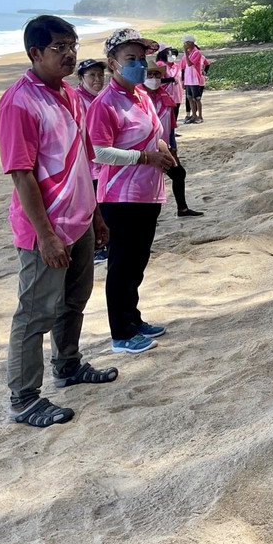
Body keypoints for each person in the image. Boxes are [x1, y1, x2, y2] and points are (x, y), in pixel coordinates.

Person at [0, 15, 115, 428]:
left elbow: (83, 159)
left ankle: (68, 365)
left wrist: (95, 213)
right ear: (35, 53)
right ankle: (24, 399)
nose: (69, 54)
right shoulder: (19, 103)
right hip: (44, 230)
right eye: (59, 47)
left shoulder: (71, 96)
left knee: (73, 303)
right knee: (34, 315)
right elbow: (21, 173)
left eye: (72, 46)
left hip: (79, 219)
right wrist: (45, 235)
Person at [87, 27, 177, 354]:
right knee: (122, 263)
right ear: (112, 63)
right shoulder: (105, 103)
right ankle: (121, 333)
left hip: (148, 192)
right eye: (130, 59)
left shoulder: (141, 96)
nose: (139, 64)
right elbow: (100, 152)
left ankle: (134, 318)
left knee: (137, 262)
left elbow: (155, 134)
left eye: (141, 58)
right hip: (120, 197)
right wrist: (145, 157)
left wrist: (165, 152)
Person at [143, 61, 204, 218]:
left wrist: (173, 146)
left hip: (164, 147)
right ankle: (148, 216)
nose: (153, 78)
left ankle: (182, 209)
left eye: (156, 74)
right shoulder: (138, 98)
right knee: (148, 182)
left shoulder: (165, 97)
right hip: (144, 150)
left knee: (178, 174)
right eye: (149, 74)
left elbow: (170, 125)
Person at [75, 58, 110, 264]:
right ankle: (99, 248)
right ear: (81, 78)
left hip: (103, 161)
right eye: (92, 75)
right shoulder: (78, 99)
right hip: (89, 164)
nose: (97, 79)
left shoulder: (100, 97)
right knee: (95, 206)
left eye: (100, 75)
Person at [180, 35, 210, 123]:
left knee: (197, 98)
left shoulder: (197, 53)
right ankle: (193, 115)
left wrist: (185, 52)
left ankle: (200, 116)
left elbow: (190, 64)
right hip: (188, 79)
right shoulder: (189, 53)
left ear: (191, 43)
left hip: (194, 79)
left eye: (186, 43)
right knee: (189, 97)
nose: (185, 45)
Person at [155, 45, 183, 125]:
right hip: (165, 94)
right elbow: (157, 79)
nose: (172, 56)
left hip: (177, 93)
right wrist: (171, 79)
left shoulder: (176, 66)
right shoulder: (160, 64)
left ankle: (173, 130)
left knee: (175, 111)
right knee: (166, 113)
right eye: (170, 54)